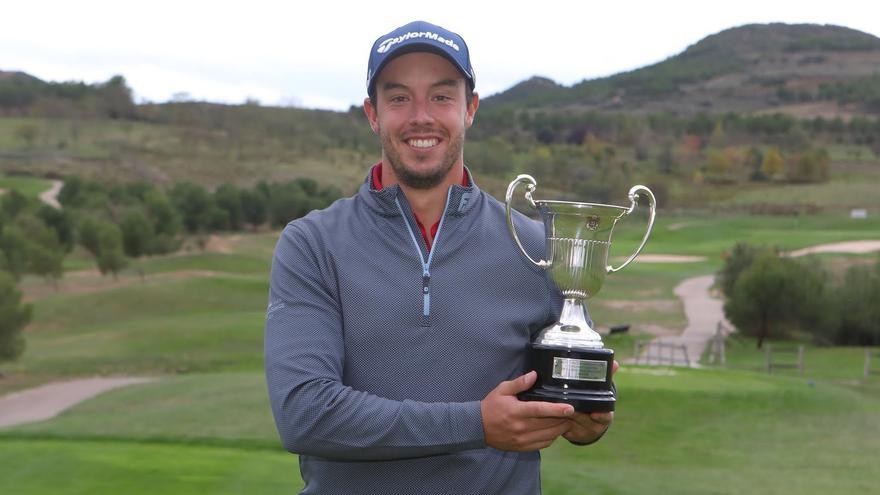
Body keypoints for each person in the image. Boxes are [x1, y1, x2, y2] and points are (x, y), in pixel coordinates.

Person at [265, 20, 615, 495]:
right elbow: (305, 414)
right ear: (373, 113)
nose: (421, 117)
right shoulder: (311, 244)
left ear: (470, 108)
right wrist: (476, 424)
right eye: (399, 98)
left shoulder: (538, 246)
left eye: (441, 96)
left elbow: (570, 402)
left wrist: (583, 419)